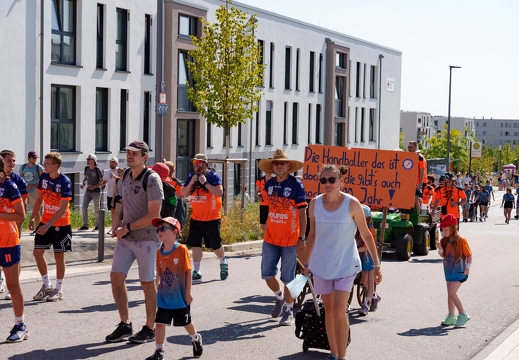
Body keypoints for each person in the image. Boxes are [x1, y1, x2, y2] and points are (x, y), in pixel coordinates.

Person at [304, 165, 382, 360]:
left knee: (339, 310)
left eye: (332, 180)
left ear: (341, 182)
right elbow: (312, 235)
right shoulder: (314, 204)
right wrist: (306, 263)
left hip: (346, 265)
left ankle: (342, 357)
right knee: (328, 311)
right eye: (323, 180)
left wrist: (377, 265)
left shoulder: (352, 204)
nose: (327, 184)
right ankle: (333, 353)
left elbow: (366, 235)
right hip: (322, 266)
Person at [106, 140, 163, 344]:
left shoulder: (152, 179)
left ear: (144, 157)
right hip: (126, 238)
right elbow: (121, 201)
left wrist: (127, 228)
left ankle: (150, 327)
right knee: (116, 277)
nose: (129, 156)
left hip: (147, 239)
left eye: (134, 154)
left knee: (147, 283)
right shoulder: (127, 174)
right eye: (128, 152)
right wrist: (116, 223)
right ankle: (125, 324)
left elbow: (154, 215)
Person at [257, 149, 307, 326]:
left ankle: (288, 311)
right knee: (266, 274)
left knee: (288, 278)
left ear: (288, 166)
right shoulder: (269, 184)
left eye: (282, 163)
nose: (278, 166)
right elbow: (265, 206)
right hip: (270, 238)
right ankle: (278, 296)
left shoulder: (296, 185)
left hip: (289, 239)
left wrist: (302, 237)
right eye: (275, 163)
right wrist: (263, 225)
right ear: (272, 166)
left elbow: (302, 213)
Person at [146, 216, 203, 360]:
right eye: (158, 229)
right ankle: (159, 351)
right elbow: (159, 272)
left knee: (186, 322)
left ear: (174, 232)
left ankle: (195, 338)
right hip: (164, 297)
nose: (159, 231)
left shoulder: (181, 250)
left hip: (179, 297)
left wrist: (188, 292)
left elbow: (188, 271)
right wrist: (154, 289)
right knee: (159, 323)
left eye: (163, 228)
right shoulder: (159, 252)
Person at [28, 152, 73, 302]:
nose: (44, 166)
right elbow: (39, 199)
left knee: (58, 256)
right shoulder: (44, 177)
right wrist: (33, 217)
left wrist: (48, 225)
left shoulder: (65, 182)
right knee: (37, 253)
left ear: (56, 166)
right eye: (44, 163)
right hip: (46, 221)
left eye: (47, 164)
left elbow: (63, 208)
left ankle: (59, 289)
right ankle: (47, 285)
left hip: (61, 223)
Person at [180, 154, 228, 283]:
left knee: (215, 246)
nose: (196, 164)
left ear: (205, 164)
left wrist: (205, 183)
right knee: (196, 244)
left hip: (212, 218)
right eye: (194, 162)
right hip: (196, 217)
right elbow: (183, 194)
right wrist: (191, 182)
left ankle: (223, 261)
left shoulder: (212, 176)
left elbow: (219, 193)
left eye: (199, 162)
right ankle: (197, 271)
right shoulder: (191, 176)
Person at [0, 155, 29, 342]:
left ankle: (21, 325)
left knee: (12, 285)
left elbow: (21, 216)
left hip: (8, 241)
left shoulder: (9, 186)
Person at [435, 214, 472, 328]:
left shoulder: (461, 241)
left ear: (452, 228)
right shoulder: (444, 241)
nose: (444, 231)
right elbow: (443, 255)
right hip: (448, 271)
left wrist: (467, 269)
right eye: (442, 230)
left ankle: (463, 314)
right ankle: (451, 316)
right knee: (449, 294)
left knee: (452, 292)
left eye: (446, 229)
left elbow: (469, 255)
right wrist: (440, 249)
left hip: (459, 271)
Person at [356, 204, 381, 316]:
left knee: (369, 281)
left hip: (369, 256)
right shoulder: (356, 227)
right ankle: (374, 296)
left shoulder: (370, 229)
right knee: (364, 281)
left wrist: (353, 249)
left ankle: (366, 305)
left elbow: (365, 247)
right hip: (360, 255)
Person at [20, 151, 44, 235]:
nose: (35, 159)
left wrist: (32, 185)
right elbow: (20, 178)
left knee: (36, 210)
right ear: (29, 158)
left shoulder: (39, 167)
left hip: (35, 192)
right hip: (25, 192)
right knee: (21, 210)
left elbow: (42, 181)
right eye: (33, 157)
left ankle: (37, 229)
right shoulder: (23, 167)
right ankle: (19, 228)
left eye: (36, 157)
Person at [79, 154, 104, 231]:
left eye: (89, 159)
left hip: (96, 192)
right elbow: (85, 178)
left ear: (93, 160)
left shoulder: (97, 170)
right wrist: (83, 184)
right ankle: (85, 225)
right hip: (88, 191)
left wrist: (94, 186)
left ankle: (98, 225)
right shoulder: (86, 168)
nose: (87, 160)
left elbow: (102, 182)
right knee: (84, 207)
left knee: (96, 209)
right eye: (87, 159)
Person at [407, 141, 427, 211]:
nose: (409, 149)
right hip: (412, 182)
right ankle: (424, 210)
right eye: (408, 147)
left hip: (419, 181)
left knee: (416, 199)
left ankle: (419, 215)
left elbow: (422, 170)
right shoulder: (411, 156)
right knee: (413, 199)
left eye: (411, 147)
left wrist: (420, 183)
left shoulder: (420, 157)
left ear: (415, 147)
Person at [104, 157, 119, 235]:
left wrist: (115, 176)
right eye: (110, 162)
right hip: (109, 194)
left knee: (116, 212)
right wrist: (103, 183)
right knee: (113, 212)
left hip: (118, 194)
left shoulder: (119, 171)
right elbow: (105, 181)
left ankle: (114, 228)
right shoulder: (107, 172)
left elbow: (123, 179)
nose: (111, 163)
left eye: (113, 162)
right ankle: (113, 227)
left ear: (116, 163)